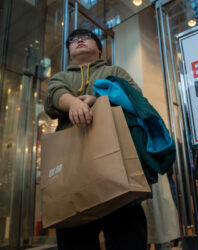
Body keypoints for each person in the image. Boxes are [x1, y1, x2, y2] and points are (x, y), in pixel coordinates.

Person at [44, 29, 146, 250]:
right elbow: (53, 95)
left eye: (85, 37)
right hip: (73, 176)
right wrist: (74, 103)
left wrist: (99, 99)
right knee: (75, 242)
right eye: (72, 40)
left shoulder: (114, 70)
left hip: (118, 169)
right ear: (70, 53)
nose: (78, 40)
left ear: (99, 49)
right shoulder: (61, 77)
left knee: (128, 239)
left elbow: (136, 98)